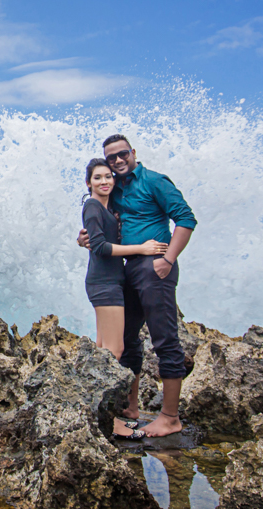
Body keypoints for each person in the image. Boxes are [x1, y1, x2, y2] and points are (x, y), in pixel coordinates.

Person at [78, 135, 197, 438]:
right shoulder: (115, 188)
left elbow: (186, 219)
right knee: (128, 340)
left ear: (133, 153)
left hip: (155, 267)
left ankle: (170, 417)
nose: (117, 162)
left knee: (164, 339)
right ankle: (130, 407)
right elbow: (100, 222)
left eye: (122, 155)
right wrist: (84, 237)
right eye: (111, 158)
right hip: (128, 270)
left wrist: (167, 259)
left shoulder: (154, 182)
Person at [81, 158, 168, 440]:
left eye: (108, 177)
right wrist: (142, 249)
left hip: (109, 282)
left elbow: (94, 239)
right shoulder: (92, 206)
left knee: (102, 350)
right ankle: (108, 421)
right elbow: (102, 248)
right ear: (88, 183)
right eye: (98, 178)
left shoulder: (107, 208)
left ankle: (94, 414)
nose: (104, 181)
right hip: (104, 284)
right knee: (114, 351)